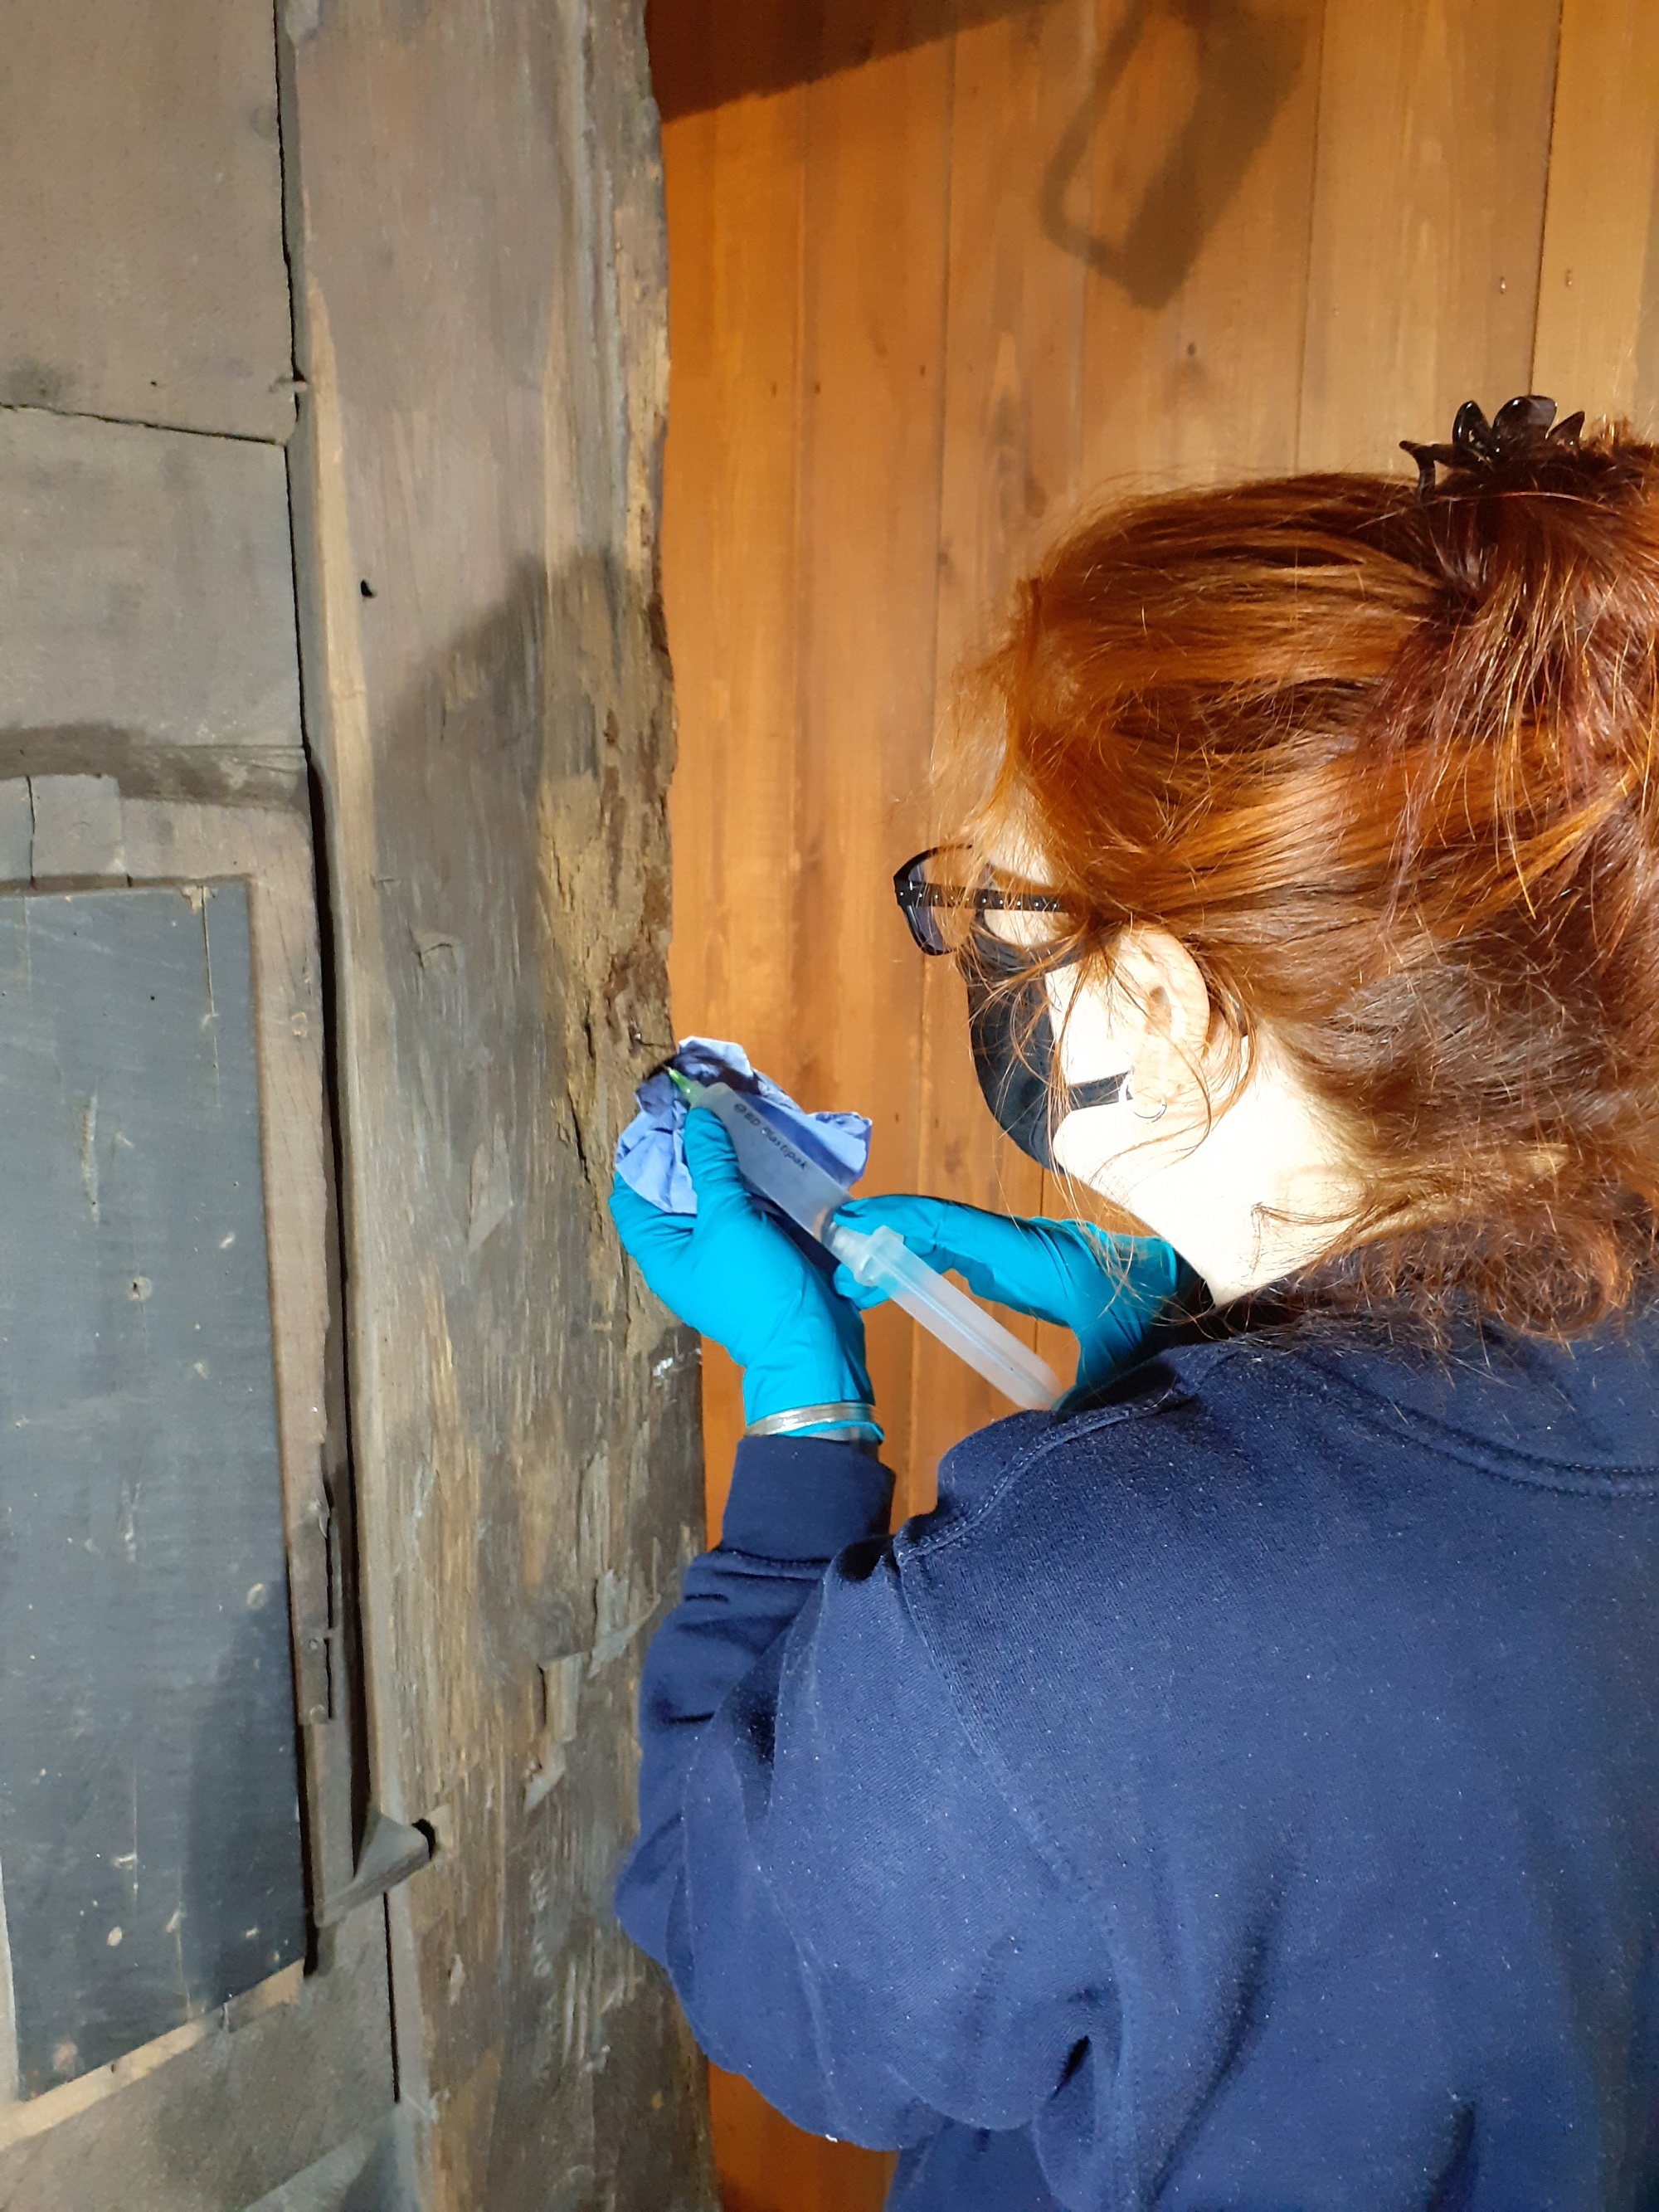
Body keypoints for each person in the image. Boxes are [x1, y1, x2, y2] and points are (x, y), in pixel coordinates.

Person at [609, 397, 1659, 2210]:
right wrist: (1183, 1346)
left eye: (997, 915)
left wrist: (800, 1413)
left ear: (1163, 1003)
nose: (977, 954)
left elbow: (765, 1959)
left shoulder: (1063, 1613)